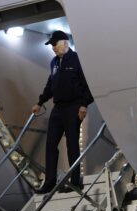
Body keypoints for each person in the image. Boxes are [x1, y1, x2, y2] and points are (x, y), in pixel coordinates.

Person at [32, 30, 93, 194]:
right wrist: (40, 102)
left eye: (54, 44)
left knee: (72, 144)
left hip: (74, 106)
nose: (52, 48)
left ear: (64, 43)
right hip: (58, 108)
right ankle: (49, 182)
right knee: (51, 144)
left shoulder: (77, 59)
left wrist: (84, 104)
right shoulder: (54, 63)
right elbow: (50, 86)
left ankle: (75, 182)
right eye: (51, 45)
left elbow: (89, 83)